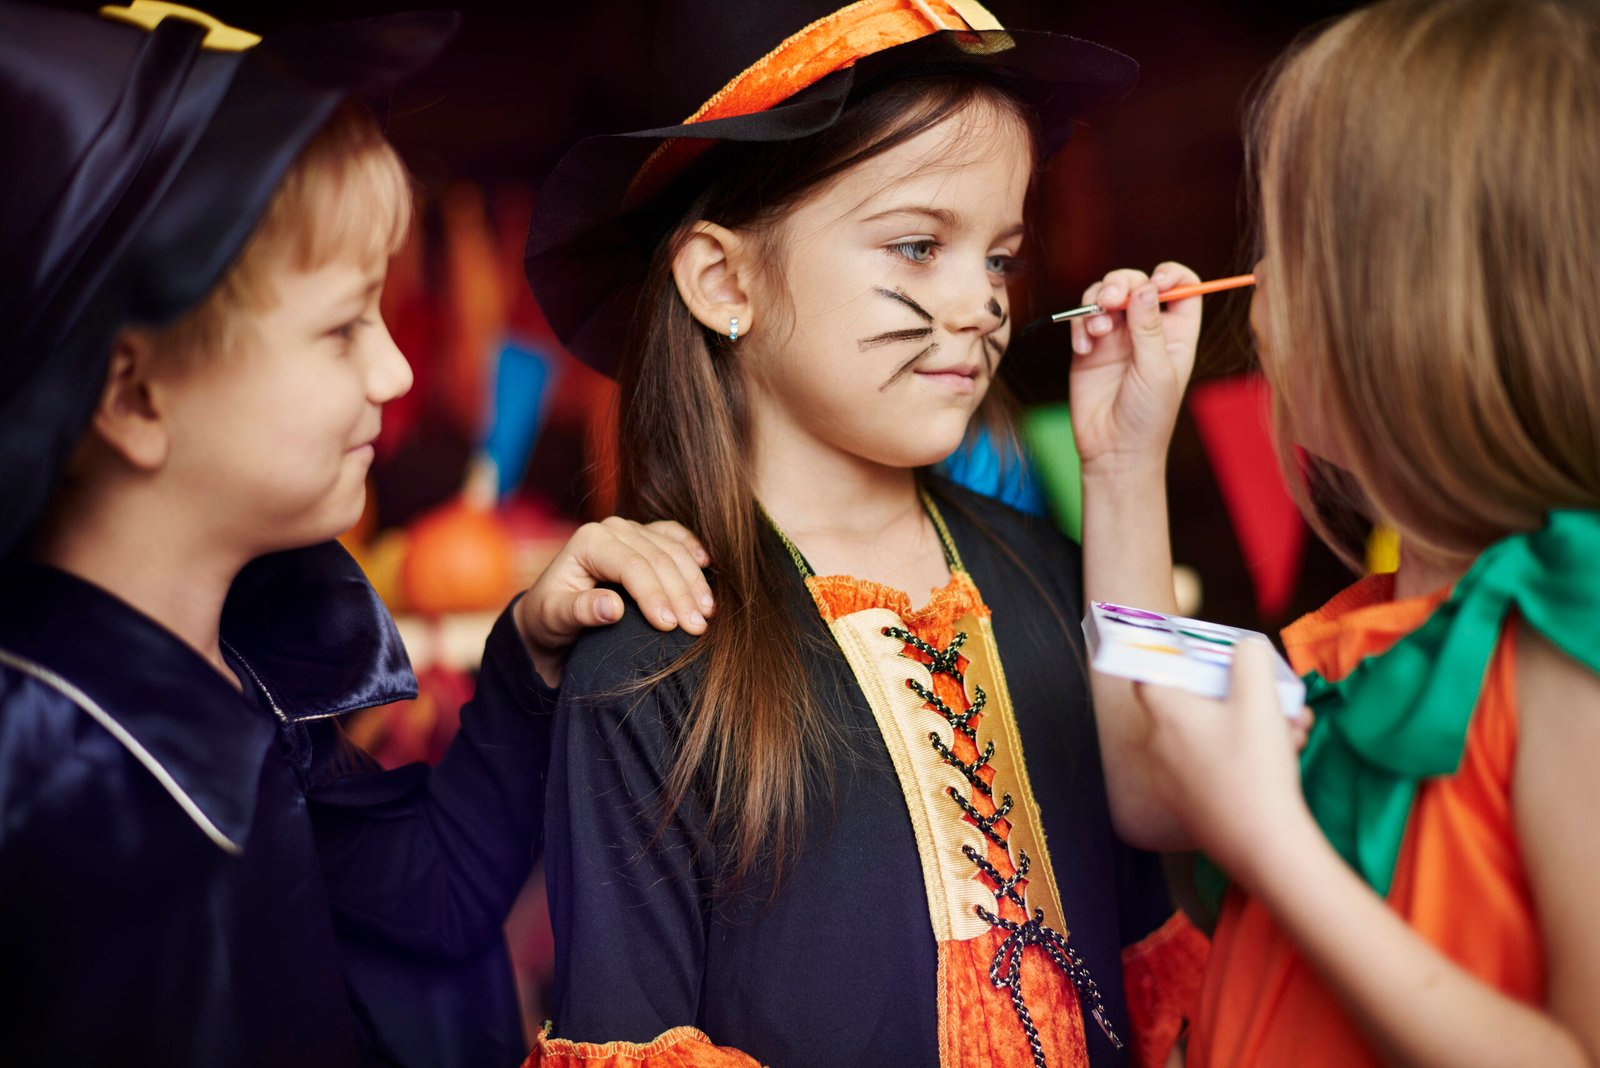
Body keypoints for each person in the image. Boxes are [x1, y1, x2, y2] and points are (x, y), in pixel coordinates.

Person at [0, 4, 712, 1065]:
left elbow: (424, 899)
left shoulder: (244, 671)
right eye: (342, 328)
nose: (397, 373)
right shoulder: (50, 783)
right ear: (137, 395)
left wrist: (528, 656)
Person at [518, 1, 1212, 1065]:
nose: (980, 305)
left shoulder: (1040, 569)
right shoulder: (647, 658)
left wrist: (1123, 469)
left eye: (997, 259)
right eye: (919, 244)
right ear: (723, 281)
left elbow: (1171, 798)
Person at [1128, 1, 1600, 1065]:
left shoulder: (1574, 625)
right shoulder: (1352, 633)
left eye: (1283, 245)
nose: (1251, 288)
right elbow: (1142, 776)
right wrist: (1122, 462)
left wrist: (1270, 844)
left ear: (1403, 306)